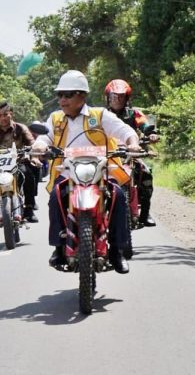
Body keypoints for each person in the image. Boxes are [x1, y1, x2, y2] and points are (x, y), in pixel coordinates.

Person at [32, 70, 141, 274]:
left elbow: (125, 132)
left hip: (100, 172)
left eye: (68, 95)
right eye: (60, 95)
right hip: (67, 172)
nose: (62, 100)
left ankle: (117, 251)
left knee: (118, 196)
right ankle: (58, 247)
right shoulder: (55, 119)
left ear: (82, 96)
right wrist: (39, 147)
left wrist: (133, 144)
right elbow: (44, 138)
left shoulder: (100, 115)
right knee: (56, 197)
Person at [104, 79, 159, 227]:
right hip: (108, 155)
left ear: (127, 98)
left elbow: (145, 124)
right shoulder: (101, 115)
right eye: (114, 96)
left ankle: (145, 214)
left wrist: (151, 133)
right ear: (108, 97)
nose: (117, 99)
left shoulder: (134, 113)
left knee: (146, 174)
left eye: (121, 96)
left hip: (131, 154)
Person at [0, 101, 41, 223]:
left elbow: (32, 144)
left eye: (5, 114)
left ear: (11, 114)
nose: (2, 118)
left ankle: (29, 207)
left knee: (28, 173)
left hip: (17, 163)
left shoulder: (21, 128)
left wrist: (34, 157)